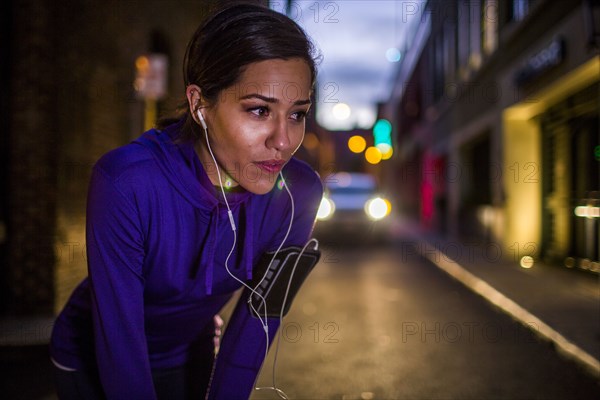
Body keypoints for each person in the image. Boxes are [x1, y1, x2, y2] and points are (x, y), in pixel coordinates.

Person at [49, 3, 323, 399]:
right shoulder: (126, 182)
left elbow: (256, 323)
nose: (283, 141)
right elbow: (119, 341)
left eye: (297, 115)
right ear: (199, 105)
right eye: (259, 110)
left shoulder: (300, 193)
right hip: (95, 359)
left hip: (189, 354)